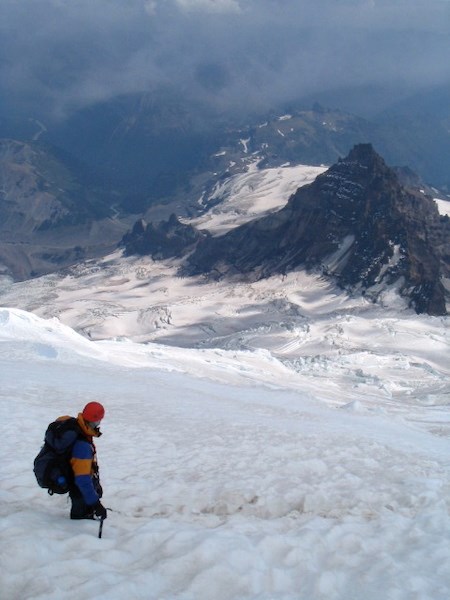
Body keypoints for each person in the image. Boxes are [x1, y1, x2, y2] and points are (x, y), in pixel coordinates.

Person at [68, 401, 108, 521]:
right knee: (79, 518)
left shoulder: (79, 428)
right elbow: (82, 479)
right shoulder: (82, 445)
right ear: (95, 420)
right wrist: (95, 504)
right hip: (78, 488)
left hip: (75, 481)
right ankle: (79, 520)